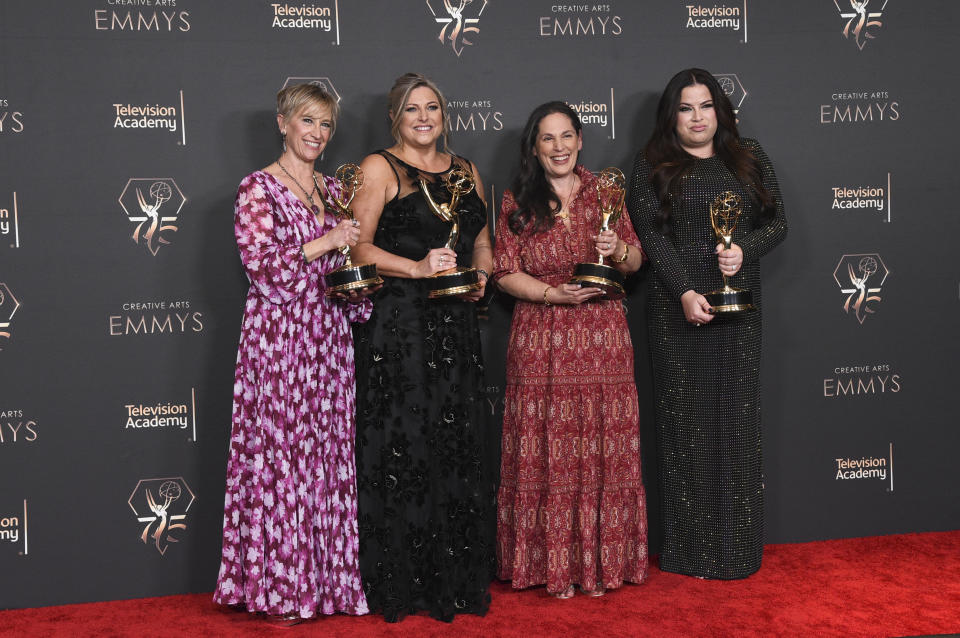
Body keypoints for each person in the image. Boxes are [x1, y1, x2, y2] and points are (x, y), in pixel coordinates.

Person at [213, 83, 377, 623]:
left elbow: (338, 271)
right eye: (307, 121)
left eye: (326, 124)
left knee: (325, 459)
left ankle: (326, 587)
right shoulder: (256, 188)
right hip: (280, 344)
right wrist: (325, 243)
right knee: (284, 462)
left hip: (328, 341)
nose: (317, 133)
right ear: (282, 122)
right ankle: (281, 590)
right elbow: (262, 268)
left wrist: (357, 278)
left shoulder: (333, 188)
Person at [627, 68, 787, 579]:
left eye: (706, 106)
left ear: (721, 111)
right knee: (685, 428)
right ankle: (690, 551)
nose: (697, 118)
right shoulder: (651, 162)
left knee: (735, 425)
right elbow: (651, 236)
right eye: (686, 108)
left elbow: (777, 221)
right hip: (678, 308)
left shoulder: (750, 156)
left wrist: (745, 250)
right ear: (671, 116)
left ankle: (737, 551)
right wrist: (685, 291)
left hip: (740, 304)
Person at [349, 72, 496, 622]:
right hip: (400, 328)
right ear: (396, 116)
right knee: (406, 447)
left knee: (455, 443)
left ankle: (457, 577)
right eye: (412, 108)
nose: (424, 117)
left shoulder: (467, 171)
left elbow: (480, 240)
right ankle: (405, 582)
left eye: (432, 106)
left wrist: (481, 274)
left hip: (457, 327)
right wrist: (413, 266)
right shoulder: (377, 169)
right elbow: (356, 247)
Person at [493, 101, 649, 599]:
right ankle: (546, 566)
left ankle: (603, 564)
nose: (558, 147)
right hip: (541, 337)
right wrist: (551, 293)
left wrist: (618, 250)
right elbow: (502, 269)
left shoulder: (607, 190)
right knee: (546, 449)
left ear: (580, 139)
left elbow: (636, 259)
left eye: (566, 137)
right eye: (547, 139)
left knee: (604, 448)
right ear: (534, 147)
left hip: (603, 338)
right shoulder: (517, 200)